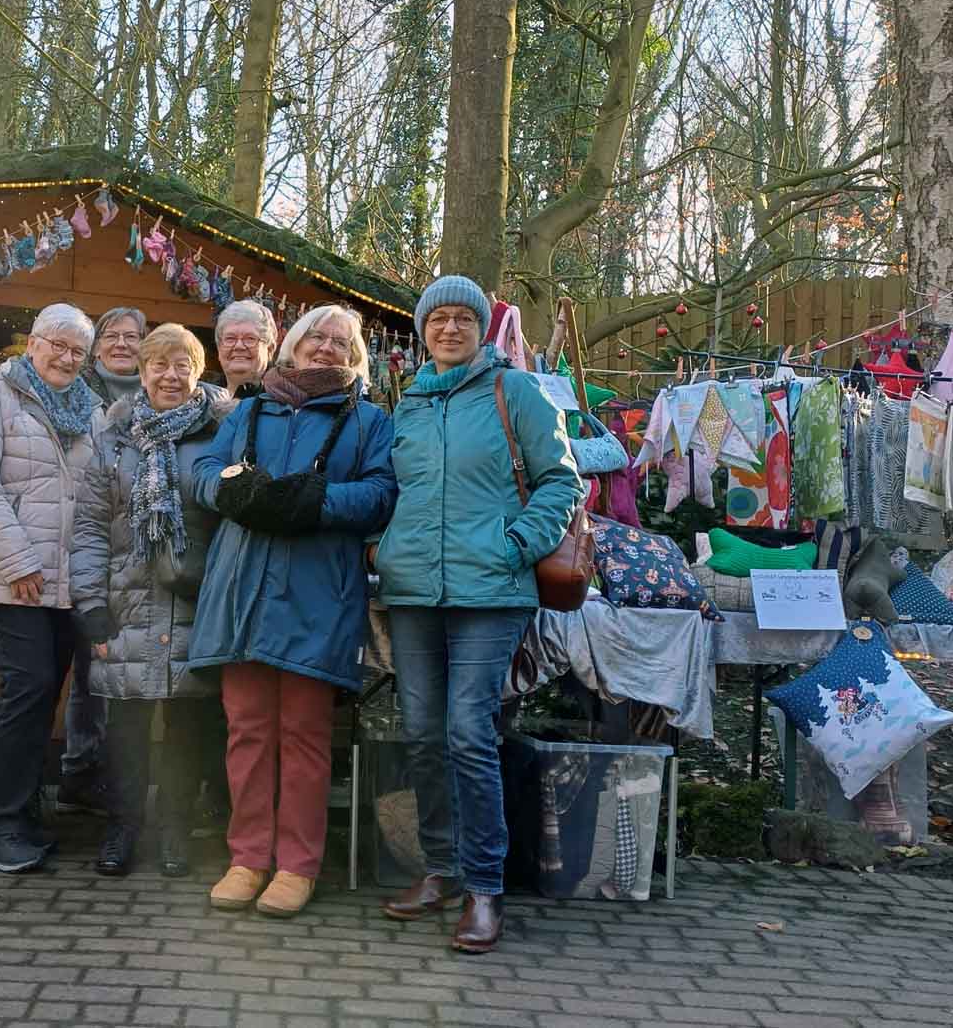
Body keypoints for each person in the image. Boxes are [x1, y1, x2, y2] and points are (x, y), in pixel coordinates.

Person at [374, 275, 583, 952]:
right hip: (413, 590)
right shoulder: (407, 404)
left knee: (468, 731)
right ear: (422, 330)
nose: (450, 328)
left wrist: (516, 544)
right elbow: (389, 489)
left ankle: (485, 887)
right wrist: (382, 546)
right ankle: (439, 868)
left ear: (482, 327)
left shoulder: (513, 391)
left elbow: (562, 480)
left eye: (464, 317)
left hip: (491, 590)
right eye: (438, 318)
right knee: (421, 732)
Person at [190, 304, 397, 917]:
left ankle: (297, 865)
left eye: (341, 342)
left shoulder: (370, 422)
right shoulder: (249, 410)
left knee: (305, 735)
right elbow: (202, 472)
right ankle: (248, 857)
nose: (326, 347)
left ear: (355, 356)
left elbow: (383, 493)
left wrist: (318, 502)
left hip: (316, 595)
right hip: (241, 592)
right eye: (316, 337)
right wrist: (228, 489)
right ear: (292, 346)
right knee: (247, 730)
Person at [71, 323, 234, 877]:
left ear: (198, 373)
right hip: (127, 602)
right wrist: (91, 603)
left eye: (182, 365)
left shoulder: (221, 433)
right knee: (126, 729)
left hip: (195, 602)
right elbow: (90, 526)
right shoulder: (114, 439)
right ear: (141, 373)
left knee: (189, 728)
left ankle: (175, 832)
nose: (171, 376)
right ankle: (122, 829)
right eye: (159, 365)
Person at [0, 303, 103, 873]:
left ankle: (25, 813)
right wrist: (17, 559)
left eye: (77, 351)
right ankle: (0, 828)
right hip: (10, 578)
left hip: (67, 582)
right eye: (57, 345)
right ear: (33, 343)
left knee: (44, 695)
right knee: (28, 686)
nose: (66, 358)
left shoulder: (91, 411)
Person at [58, 306, 148, 814]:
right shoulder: (75, 392)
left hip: (137, 562)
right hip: (85, 547)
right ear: (95, 347)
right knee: (88, 672)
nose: (121, 344)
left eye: (131, 336)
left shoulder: (156, 396)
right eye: (111, 335)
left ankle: (120, 782)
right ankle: (79, 771)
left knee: (125, 676)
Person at [214, 299, 277, 397]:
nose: (239, 346)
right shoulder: (204, 400)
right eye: (230, 338)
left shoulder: (284, 401)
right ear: (219, 349)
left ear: (270, 350)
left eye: (250, 339)